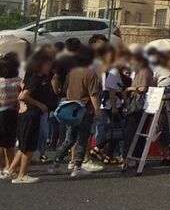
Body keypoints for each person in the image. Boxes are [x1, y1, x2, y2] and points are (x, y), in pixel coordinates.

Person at [51, 50, 102, 175]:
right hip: (85, 108)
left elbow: (67, 90)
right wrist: (97, 110)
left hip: (72, 107)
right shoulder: (90, 74)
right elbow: (93, 94)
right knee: (83, 140)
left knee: (69, 139)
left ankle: (56, 163)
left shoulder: (72, 72)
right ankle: (77, 167)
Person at [11, 53, 55, 183]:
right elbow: (23, 96)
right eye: (47, 64)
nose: (49, 66)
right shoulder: (35, 78)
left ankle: (12, 170)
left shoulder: (35, 76)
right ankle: (22, 175)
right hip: (30, 114)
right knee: (28, 146)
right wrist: (40, 104)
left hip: (29, 114)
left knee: (25, 145)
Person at [0, 54, 21, 179]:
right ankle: (10, 166)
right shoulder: (18, 81)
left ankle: (2, 166)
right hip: (13, 112)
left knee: (1, 141)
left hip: (1, 112)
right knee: (10, 142)